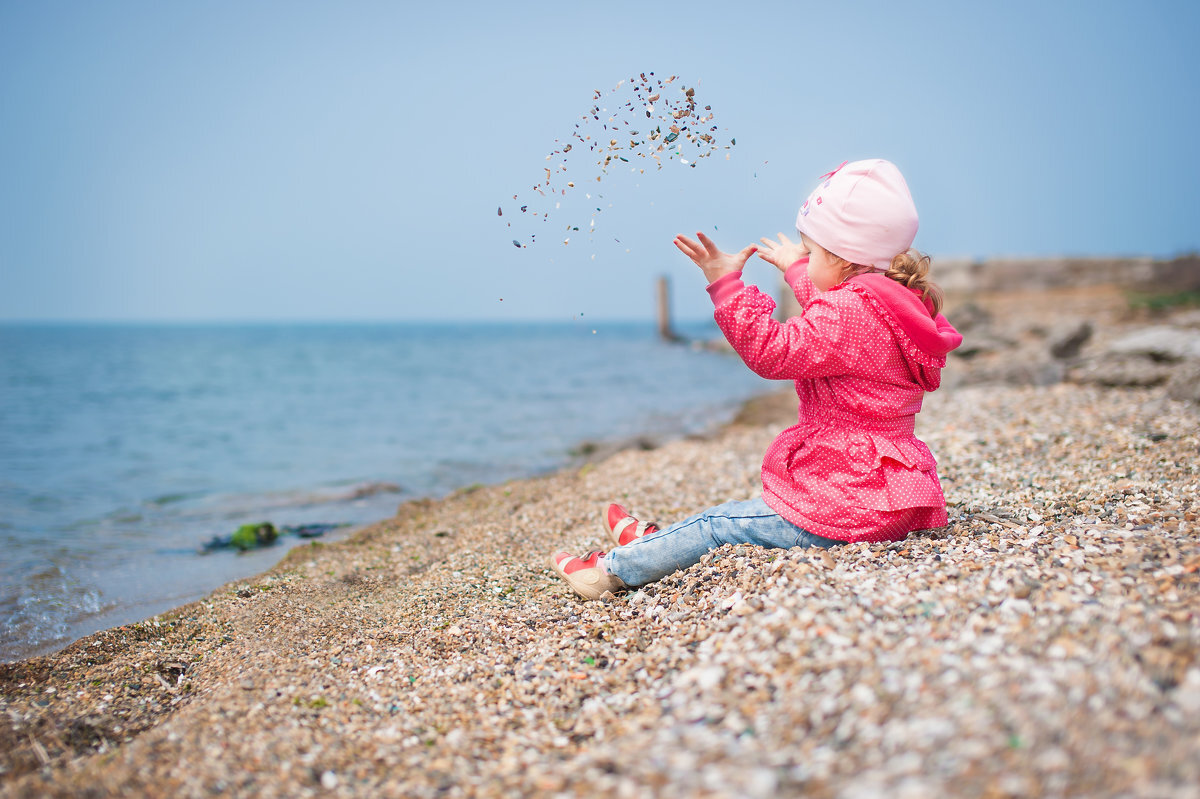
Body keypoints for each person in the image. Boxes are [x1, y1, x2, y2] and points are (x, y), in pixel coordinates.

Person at [549, 159, 963, 599]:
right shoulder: (893, 304)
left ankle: (612, 570)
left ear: (842, 258)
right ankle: (657, 545)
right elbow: (834, 313)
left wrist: (725, 284)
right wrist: (797, 267)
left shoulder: (846, 314)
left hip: (849, 504)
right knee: (737, 518)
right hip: (891, 498)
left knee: (718, 525)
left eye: (813, 252)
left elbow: (774, 351)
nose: (805, 259)